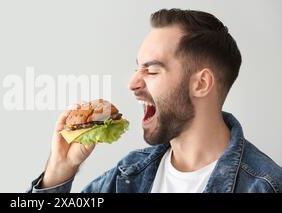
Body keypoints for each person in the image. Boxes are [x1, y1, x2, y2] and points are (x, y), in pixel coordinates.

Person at [27, 8, 282, 193]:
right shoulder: (128, 174)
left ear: (201, 84)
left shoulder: (264, 186)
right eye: (137, 68)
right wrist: (58, 172)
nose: (132, 83)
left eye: (151, 70)